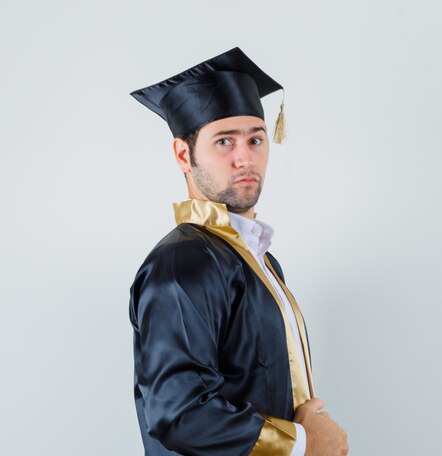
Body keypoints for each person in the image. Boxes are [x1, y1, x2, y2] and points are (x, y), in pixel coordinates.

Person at [129, 47, 348, 455]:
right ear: (183, 154)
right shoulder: (183, 262)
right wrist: (303, 443)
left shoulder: (261, 260)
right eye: (224, 141)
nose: (244, 157)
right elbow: (180, 414)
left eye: (256, 139)